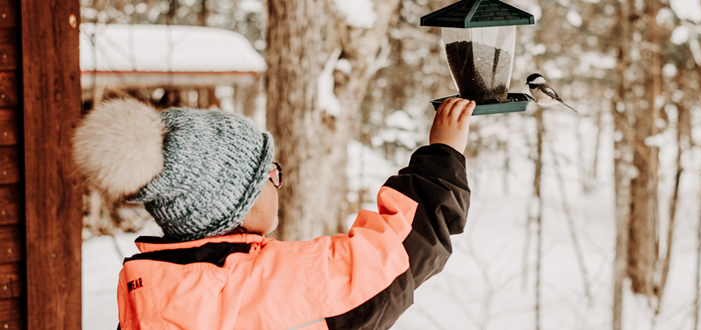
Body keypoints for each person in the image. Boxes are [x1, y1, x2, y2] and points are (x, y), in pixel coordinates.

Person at [73, 96, 475, 330]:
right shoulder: (263, 284)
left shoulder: (148, 293)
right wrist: (443, 154)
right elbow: (398, 253)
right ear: (236, 204)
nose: (279, 181)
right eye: (270, 173)